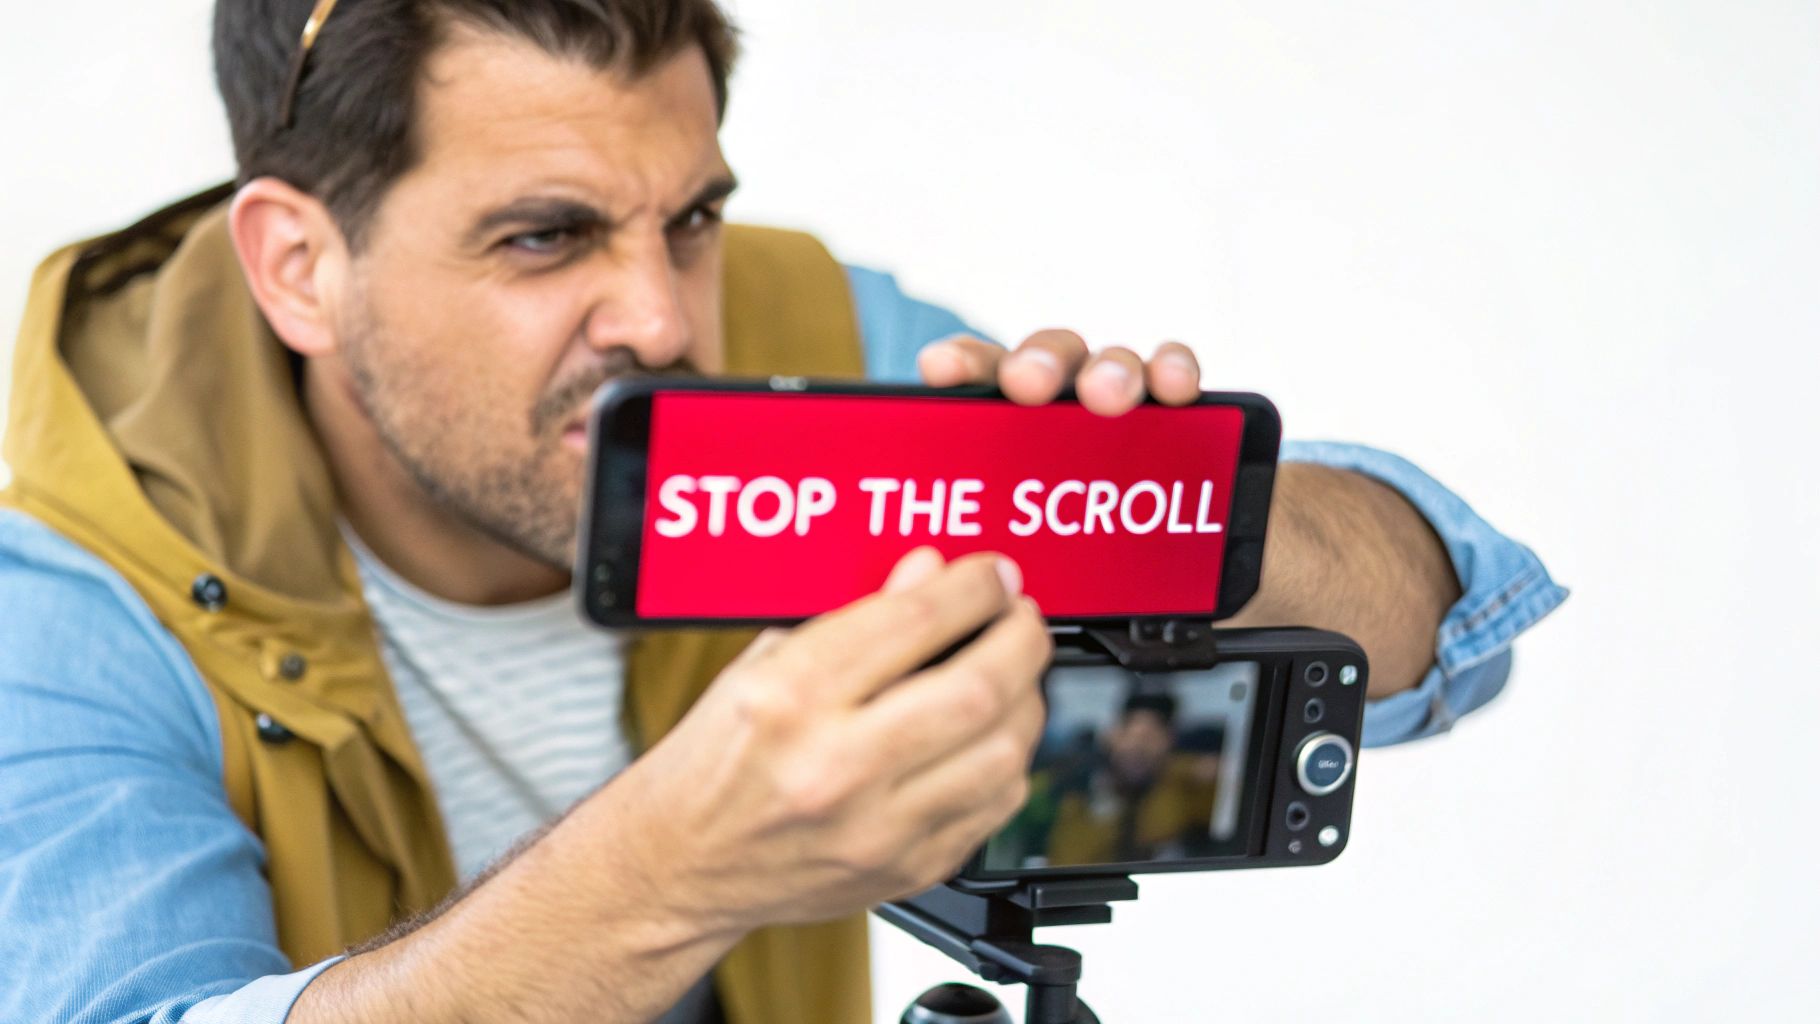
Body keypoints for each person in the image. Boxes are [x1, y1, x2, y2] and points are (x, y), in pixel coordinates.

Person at [0, 1, 1568, 1022]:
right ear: (299, 266)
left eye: (687, 220)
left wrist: (1156, 516)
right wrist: (676, 866)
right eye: (545, 240)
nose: (668, 325)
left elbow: (1468, 619)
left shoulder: (798, 339)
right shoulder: (67, 577)